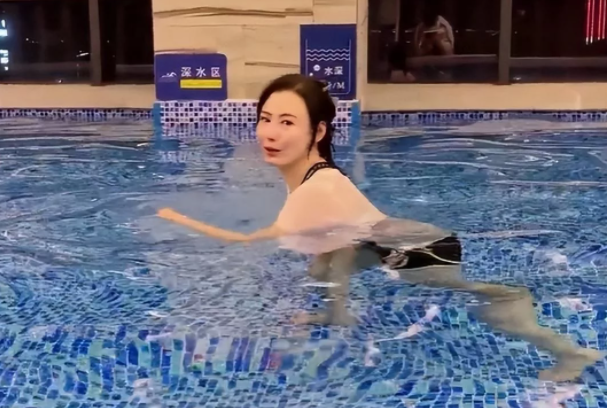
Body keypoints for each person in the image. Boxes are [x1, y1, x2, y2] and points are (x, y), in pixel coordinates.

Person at [157, 73, 603, 382]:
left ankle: (563, 346)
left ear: (318, 132)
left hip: (419, 248)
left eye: (286, 122)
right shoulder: (318, 176)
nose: (269, 132)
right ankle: (336, 313)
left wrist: (174, 218)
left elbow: (243, 242)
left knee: (482, 301)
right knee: (323, 262)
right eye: (265, 119)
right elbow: (338, 240)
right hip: (392, 238)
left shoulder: (314, 190)